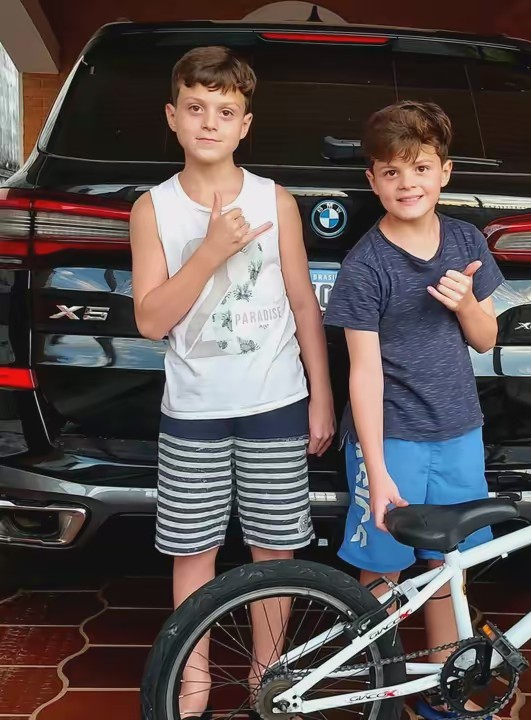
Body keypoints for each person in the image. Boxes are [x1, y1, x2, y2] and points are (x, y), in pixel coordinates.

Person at [129, 46, 335, 718]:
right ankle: (192, 681)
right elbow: (150, 320)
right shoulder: (153, 210)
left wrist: (321, 396)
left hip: (276, 401)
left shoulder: (275, 201)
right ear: (173, 117)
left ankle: (265, 674)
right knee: (194, 549)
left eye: (225, 111)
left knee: (274, 546)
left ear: (245, 125)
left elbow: (304, 304)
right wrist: (212, 250)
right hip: (193, 409)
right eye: (196, 108)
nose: (209, 122)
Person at [323, 100, 504, 720]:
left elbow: (486, 338)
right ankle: (381, 686)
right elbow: (363, 372)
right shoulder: (365, 264)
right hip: (392, 438)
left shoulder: (466, 241)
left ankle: (444, 689)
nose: (408, 183)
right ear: (372, 180)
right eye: (392, 171)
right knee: (383, 571)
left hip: (458, 433)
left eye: (421, 168)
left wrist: (466, 304)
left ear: (444, 172)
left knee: (448, 566)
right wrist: (375, 470)